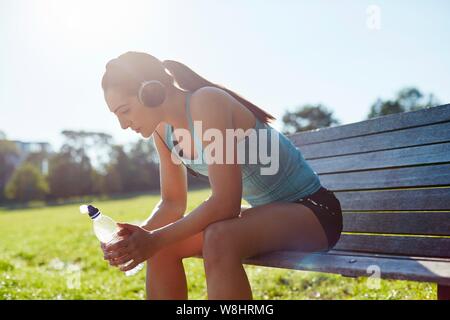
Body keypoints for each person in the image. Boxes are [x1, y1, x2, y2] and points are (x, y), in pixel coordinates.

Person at [100, 51, 343, 300]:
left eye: (125, 110)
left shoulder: (207, 103)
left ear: (149, 91)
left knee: (219, 238)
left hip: (314, 213)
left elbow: (226, 204)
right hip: (268, 217)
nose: (123, 124)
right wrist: (135, 239)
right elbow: (172, 203)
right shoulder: (162, 132)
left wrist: (154, 238)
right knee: (163, 248)